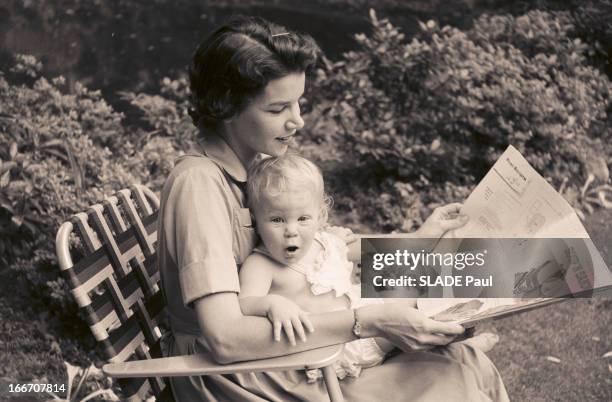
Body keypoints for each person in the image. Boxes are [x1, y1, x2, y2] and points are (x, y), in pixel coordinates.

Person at [157, 15, 509, 401]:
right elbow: (225, 338)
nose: (298, 121)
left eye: (298, 103)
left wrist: (424, 239)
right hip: (245, 375)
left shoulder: (252, 173)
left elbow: (321, 260)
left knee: (462, 357)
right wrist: (367, 322)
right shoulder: (200, 185)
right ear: (226, 105)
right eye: (278, 109)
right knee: (448, 375)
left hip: (292, 354)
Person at [239, 153, 395, 381]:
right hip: (339, 346)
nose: (291, 230)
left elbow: (372, 252)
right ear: (255, 220)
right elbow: (243, 303)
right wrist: (271, 303)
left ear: (320, 216)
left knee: (424, 288)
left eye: (303, 218)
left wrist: (425, 235)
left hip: (364, 318)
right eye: (277, 220)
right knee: (419, 315)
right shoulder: (261, 265)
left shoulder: (324, 241)